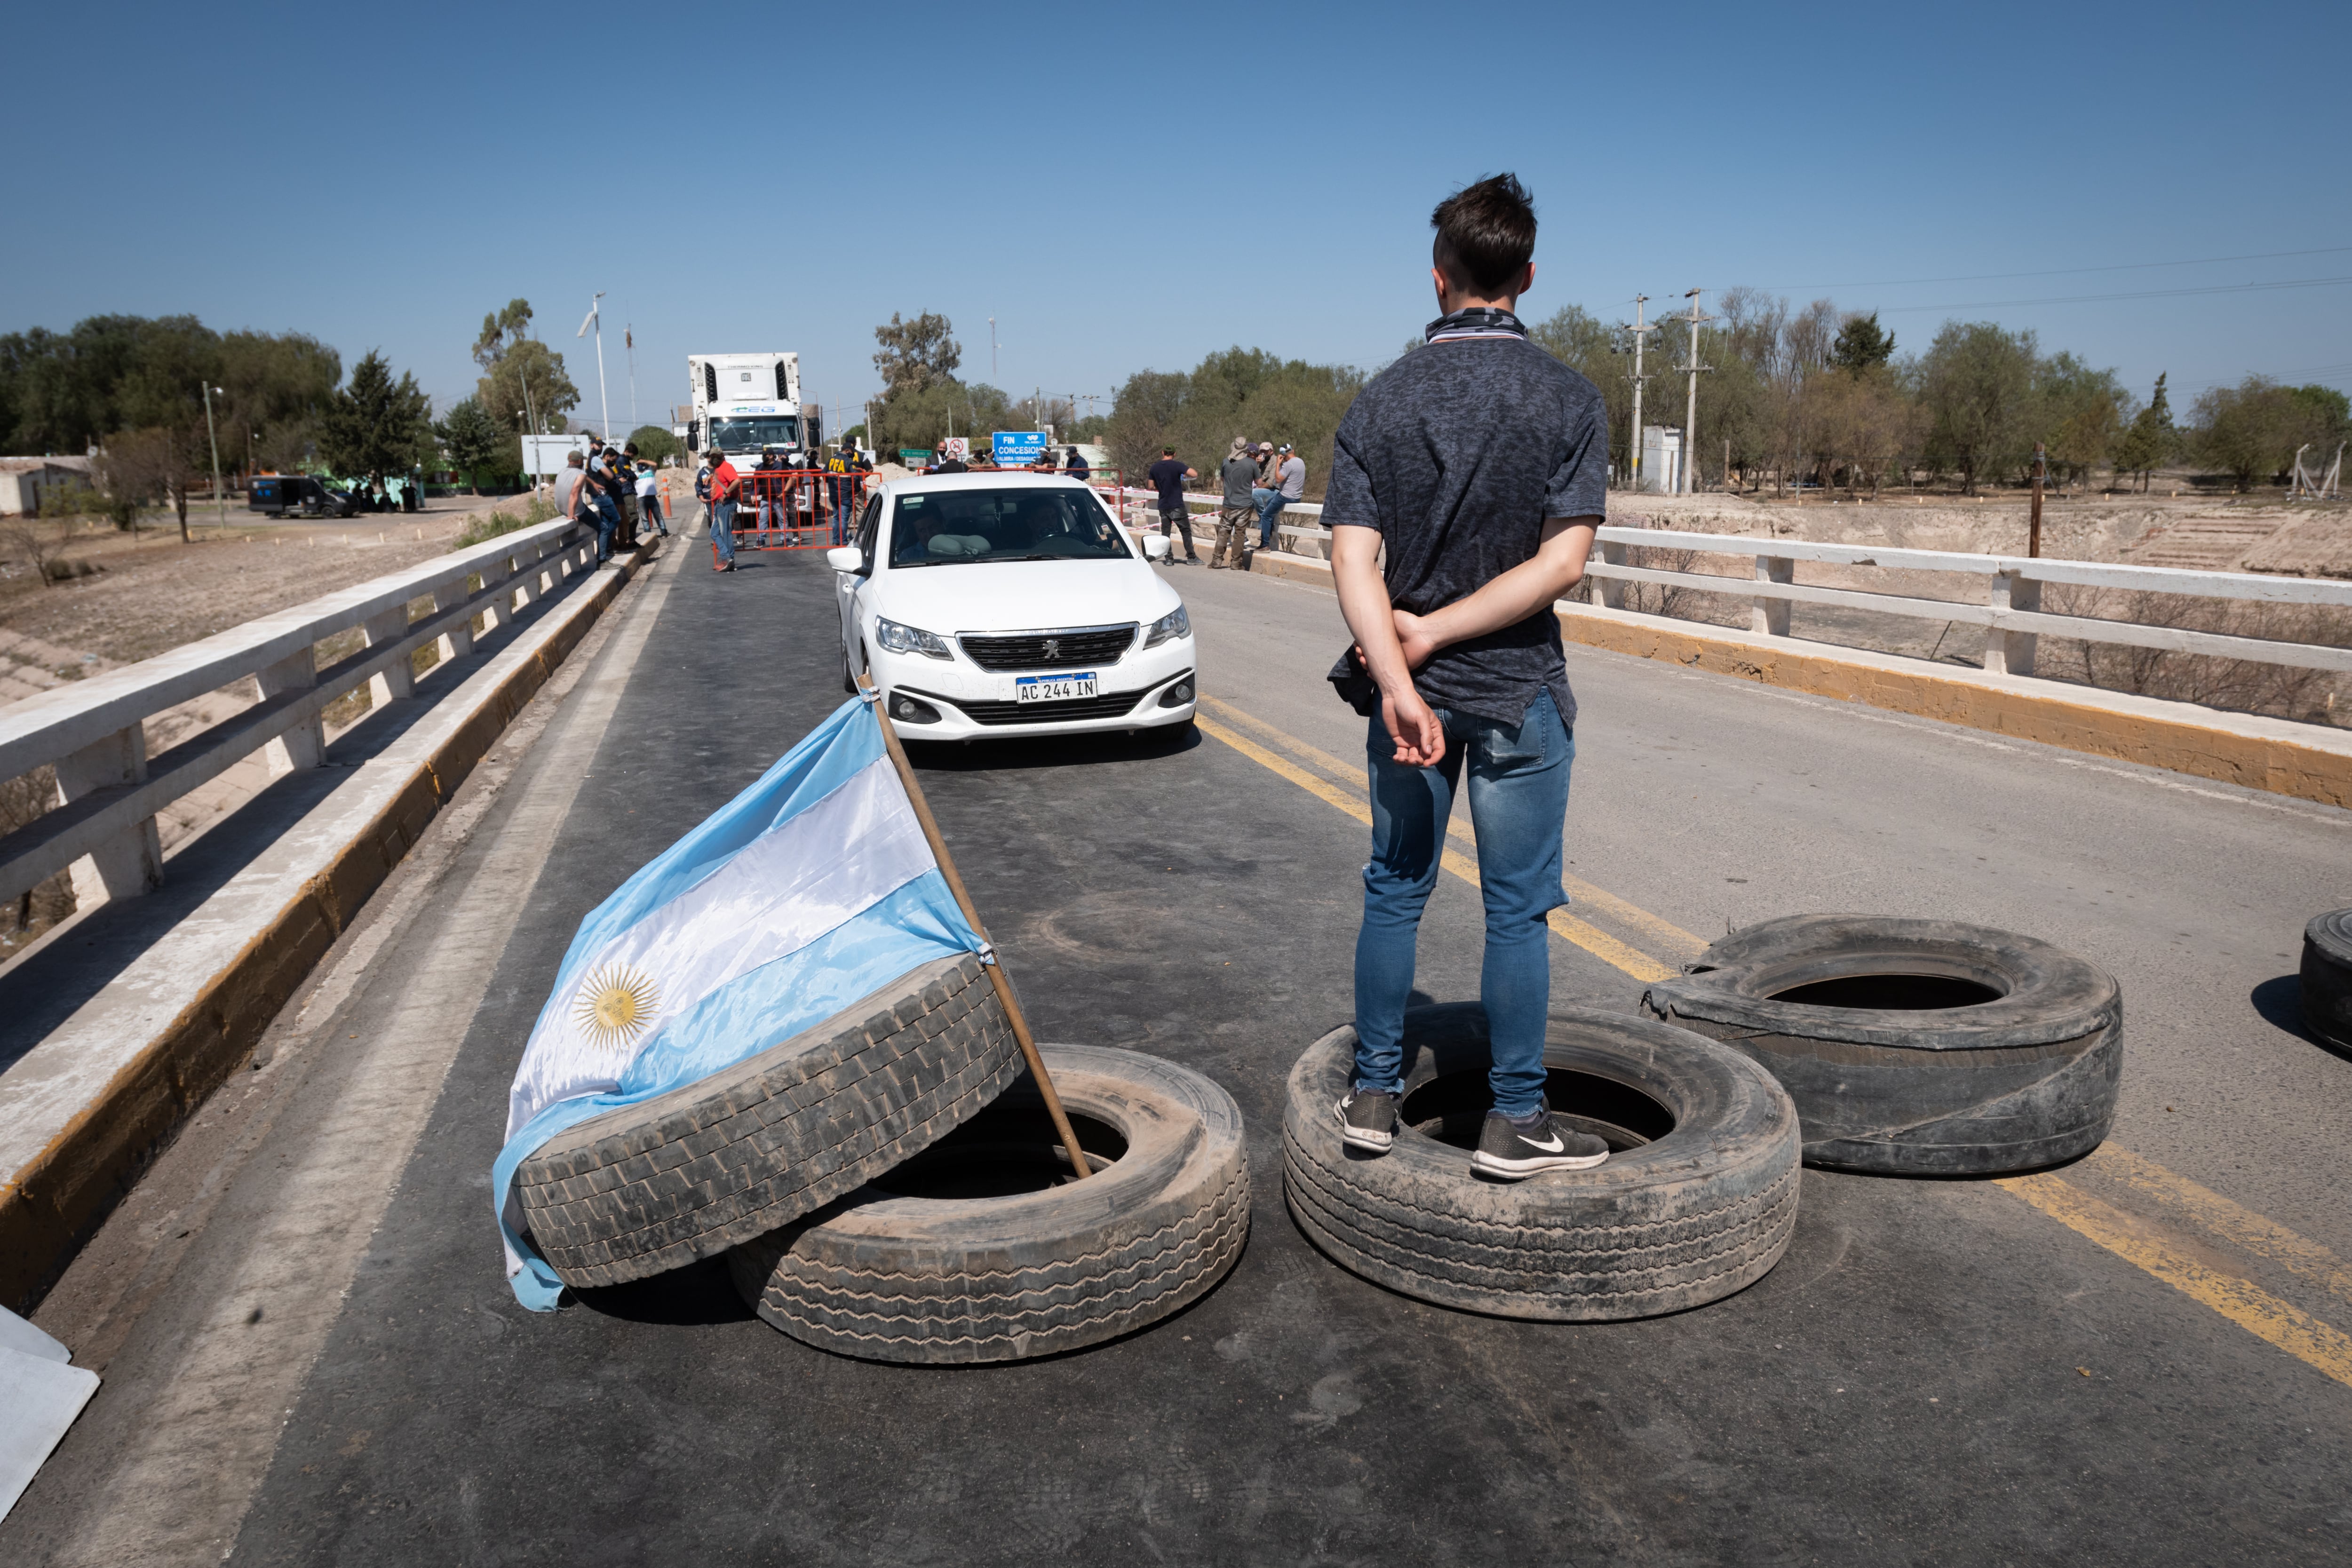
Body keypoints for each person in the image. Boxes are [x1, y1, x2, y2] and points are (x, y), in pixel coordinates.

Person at [1326, 173, 1609, 1182]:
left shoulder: (1381, 398)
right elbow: (1559, 564)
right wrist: (1442, 636)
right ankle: (1518, 1119)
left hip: (1407, 688)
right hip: (1518, 693)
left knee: (1394, 888)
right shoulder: (1570, 398)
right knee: (1514, 909)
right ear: (1526, 276)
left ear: (1437, 277)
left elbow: (1352, 561)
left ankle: (1370, 1093)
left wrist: (1403, 673)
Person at [1145, 446, 1199, 564]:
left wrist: (1160, 487)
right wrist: (1185, 476)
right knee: (1185, 531)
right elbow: (1194, 474)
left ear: (1163, 452)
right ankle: (1191, 557)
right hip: (1176, 504)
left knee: (1166, 533)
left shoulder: (1154, 468)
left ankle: (1169, 559)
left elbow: (1150, 486)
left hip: (1163, 505)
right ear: (1174, 454)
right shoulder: (1178, 466)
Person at [1213, 437, 1257, 568]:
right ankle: (1236, 563)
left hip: (1229, 503)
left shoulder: (1226, 462)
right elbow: (1259, 482)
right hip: (1245, 504)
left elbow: (1222, 478)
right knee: (1240, 533)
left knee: (1224, 531)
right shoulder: (1252, 463)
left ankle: (1217, 561)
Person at [1263, 442, 1305, 550]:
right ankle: (1270, 529)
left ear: (1283, 456)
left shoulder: (1288, 464)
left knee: (1265, 516)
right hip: (1297, 497)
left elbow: (1277, 480)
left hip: (1286, 496)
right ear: (1293, 451)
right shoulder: (1301, 462)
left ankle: (1265, 544)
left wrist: (1278, 464)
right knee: (1269, 503)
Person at [706, 446, 740, 573]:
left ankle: (728, 559)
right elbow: (721, 479)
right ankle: (728, 559)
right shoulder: (718, 468)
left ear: (721, 457)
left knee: (725, 534)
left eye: (716, 457)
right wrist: (710, 478)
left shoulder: (726, 467)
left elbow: (736, 481)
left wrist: (726, 493)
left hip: (726, 504)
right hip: (720, 505)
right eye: (712, 457)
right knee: (714, 533)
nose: (713, 460)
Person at [636, 461, 667, 536]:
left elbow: (655, 464)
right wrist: (635, 501)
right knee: (644, 518)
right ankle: (648, 534)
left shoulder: (650, 471)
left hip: (652, 497)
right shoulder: (635, 475)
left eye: (642, 464)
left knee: (658, 516)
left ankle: (664, 532)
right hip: (640, 499)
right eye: (639, 464)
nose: (641, 465)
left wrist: (644, 460)